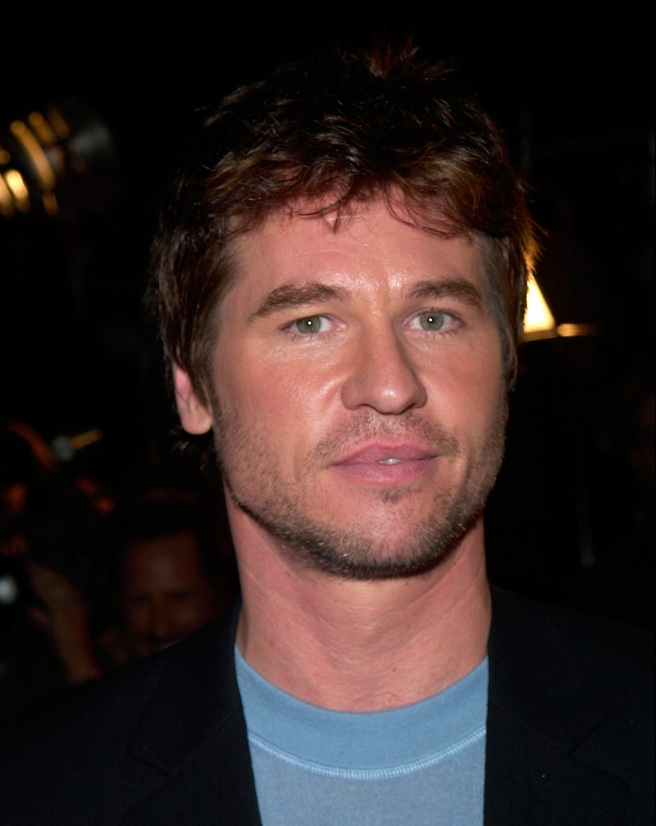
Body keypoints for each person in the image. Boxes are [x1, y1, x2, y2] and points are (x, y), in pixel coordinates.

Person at [0, 41, 652, 825]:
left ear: (508, 360)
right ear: (192, 386)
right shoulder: (44, 793)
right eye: (310, 322)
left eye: (435, 317)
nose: (391, 384)